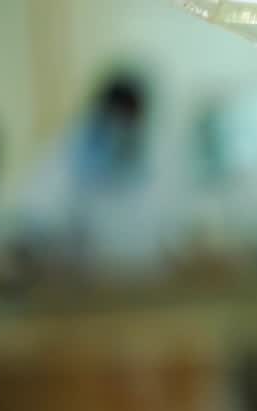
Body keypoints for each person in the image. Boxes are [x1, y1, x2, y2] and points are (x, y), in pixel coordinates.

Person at [14, 68, 178, 281]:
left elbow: (167, 222)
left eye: (131, 120)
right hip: (85, 283)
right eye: (117, 118)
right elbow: (35, 213)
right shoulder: (73, 151)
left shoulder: (155, 154)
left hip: (144, 280)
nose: (122, 129)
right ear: (102, 113)